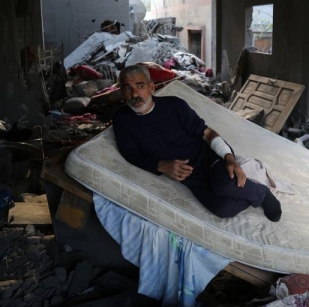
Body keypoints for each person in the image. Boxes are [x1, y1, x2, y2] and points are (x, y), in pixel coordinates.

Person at [112, 65, 282, 221]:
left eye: (140, 86)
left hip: (208, 159)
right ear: (122, 93)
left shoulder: (174, 105)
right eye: (128, 88)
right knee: (223, 209)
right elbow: (131, 154)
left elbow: (207, 133)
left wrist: (229, 158)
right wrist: (161, 165)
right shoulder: (122, 120)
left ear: (151, 87)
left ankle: (262, 193)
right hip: (188, 175)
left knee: (224, 185)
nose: (135, 94)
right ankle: (246, 192)